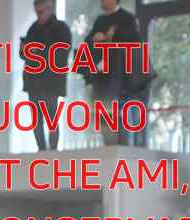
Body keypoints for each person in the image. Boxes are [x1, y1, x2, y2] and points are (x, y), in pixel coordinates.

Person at [82, 0, 150, 146]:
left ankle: (125, 146)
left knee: (124, 117)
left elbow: (134, 41)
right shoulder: (100, 20)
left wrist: (111, 37)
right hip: (104, 78)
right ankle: (110, 146)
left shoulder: (127, 18)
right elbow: (88, 41)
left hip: (124, 79)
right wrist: (99, 38)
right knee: (105, 116)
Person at [20, 0, 72, 151]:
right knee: (36, 120)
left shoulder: (61, 29)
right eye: (37, 12)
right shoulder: (33, 28)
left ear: (49, 9)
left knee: (51, 119)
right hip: (33, 81)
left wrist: (36, 52)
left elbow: (60, 53)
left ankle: (53, 151)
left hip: (51, 82)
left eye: (41, 12)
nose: (39, 15)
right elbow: (24, 53)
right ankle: (41, 150)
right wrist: (35, 52)